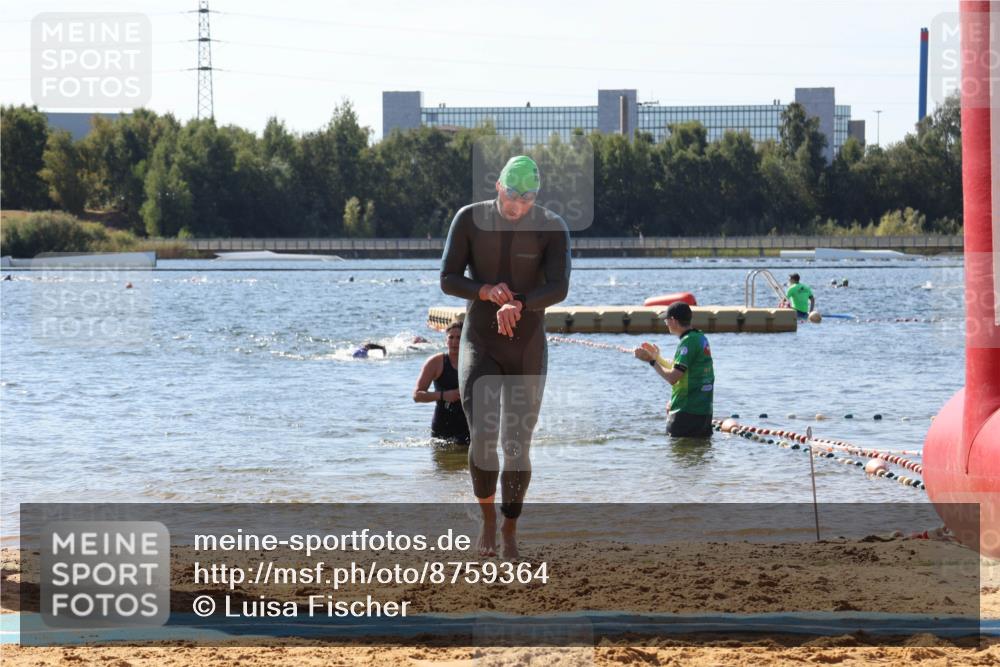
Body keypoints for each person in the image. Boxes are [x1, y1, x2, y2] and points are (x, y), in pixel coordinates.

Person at [441, 155, 571, 559]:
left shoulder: (551, 228)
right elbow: (448, 279)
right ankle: (486, 521)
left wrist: (520, 303)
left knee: (517, 446)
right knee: (482, 437)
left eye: (528, 198)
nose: (519, 206)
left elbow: (559, 288)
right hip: (480, 340)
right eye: (513, 196)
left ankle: (510, 527)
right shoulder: (469, 219)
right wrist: (484, 292)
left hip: (527, 346)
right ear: (498, 187)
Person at [634, 302, 715, 438]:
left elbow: (673, 377)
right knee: (699, 456)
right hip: (704, 414)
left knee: (678, 457)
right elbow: (681, 368)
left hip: (685, 413)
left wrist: (651, 361)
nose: (666, 323)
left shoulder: (687, 342)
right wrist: (657, 358)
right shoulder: (700, 337)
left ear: (673, 321)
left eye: (666, 320)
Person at [412, 321, 470, 446]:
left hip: (468, 424)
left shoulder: (473, 362)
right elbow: (417, 395)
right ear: (446, 340)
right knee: (443, 462)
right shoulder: (436, 362)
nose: (455, 342)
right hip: (443, 424)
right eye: (451, 337)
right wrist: (444, 395)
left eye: (459, 338)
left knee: (466, 463)